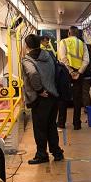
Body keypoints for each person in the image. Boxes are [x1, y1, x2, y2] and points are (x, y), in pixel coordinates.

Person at [21, 34, 63, 164]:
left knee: (40, 128)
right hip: (53, 95)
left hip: (40, 98)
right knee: (51, 126)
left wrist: (39, 90)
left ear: (27, 46)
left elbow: (33, 74)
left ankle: (41, 155)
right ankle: (57, 153)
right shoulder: (48, 55)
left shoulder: (27, 60)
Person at [57, 26, 91, 130]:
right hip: (78, 74)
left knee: (63, 98)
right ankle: (77, 124)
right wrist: (79, 72)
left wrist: (70, 71)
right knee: (77, 99)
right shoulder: (82, 44)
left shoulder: (63, 42)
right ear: (77, 33)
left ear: (69, 33)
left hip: (66, 73)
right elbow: (86, 60)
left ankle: (61, 123)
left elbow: (63, 58)